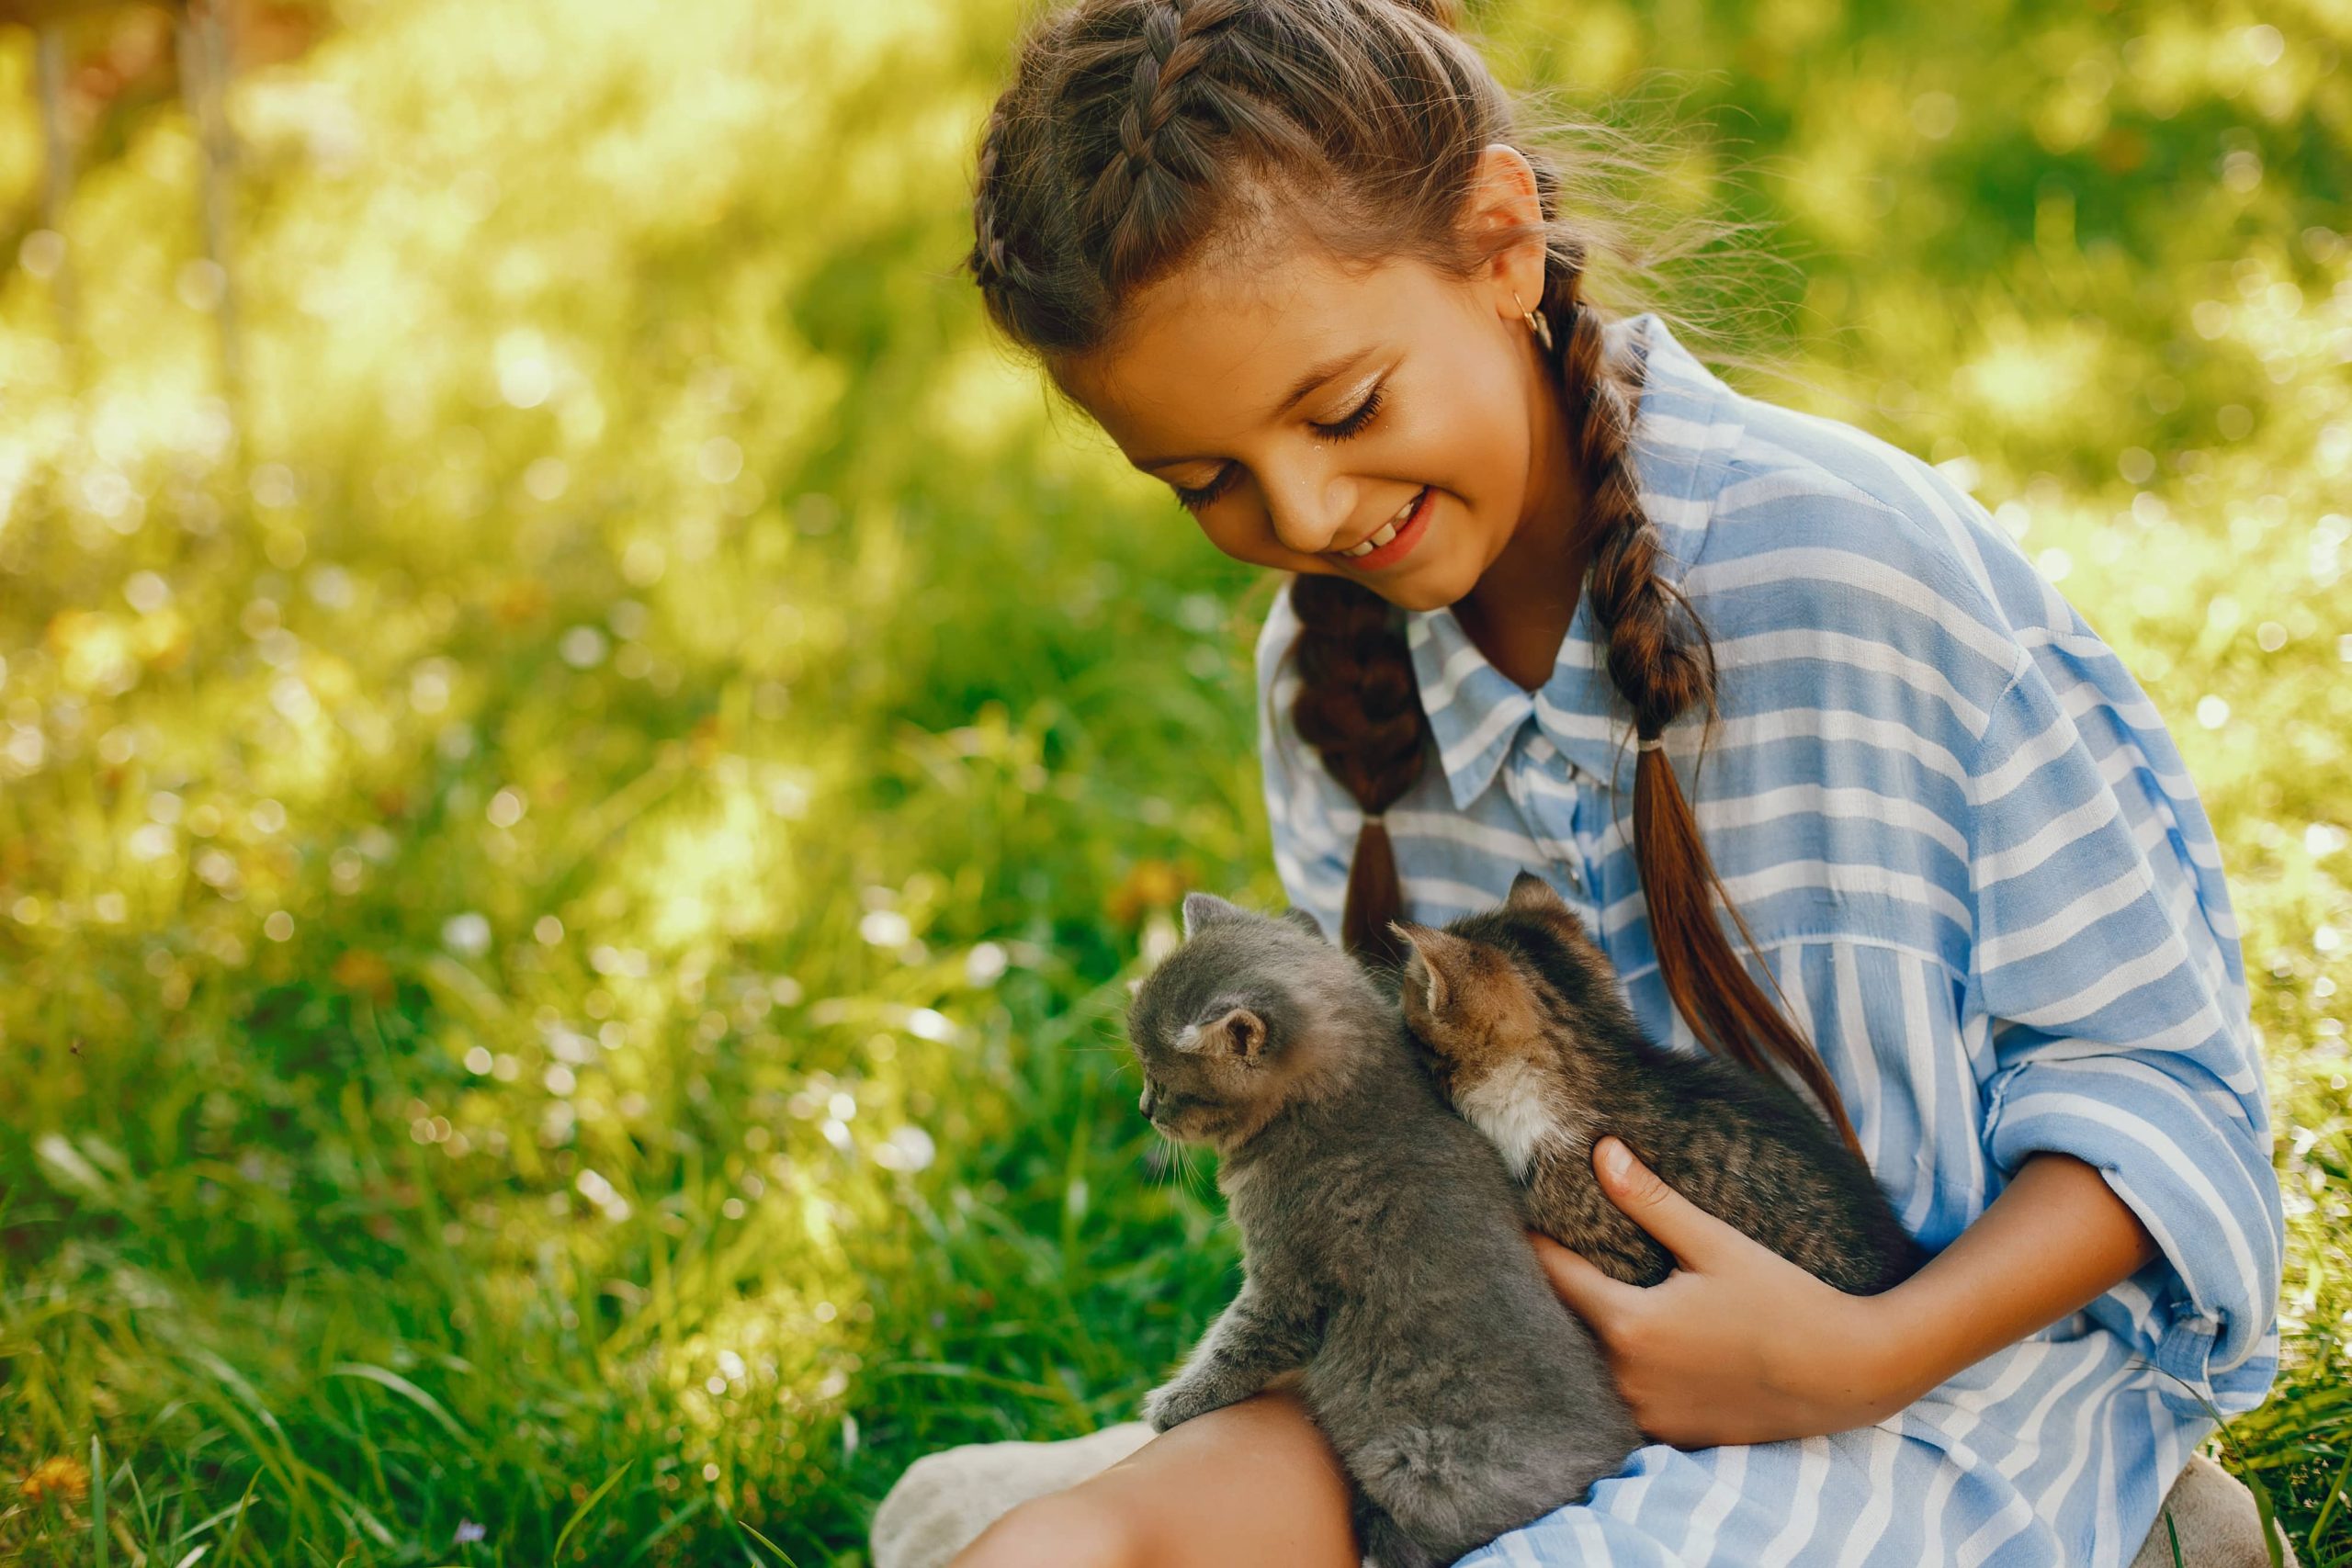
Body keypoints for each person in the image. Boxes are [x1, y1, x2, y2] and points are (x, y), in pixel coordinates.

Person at [880, 0, 2292, 1562]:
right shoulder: (1326, 676)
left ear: (1501, 244)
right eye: (1204, 479)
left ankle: (2156, 1536)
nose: (1301, 510)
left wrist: (1861, 1353)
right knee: (988, 1533)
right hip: (1522, 1378)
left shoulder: (1853, 574)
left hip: (1930, 1390)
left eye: (1343, 410)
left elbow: (2165, 1105)